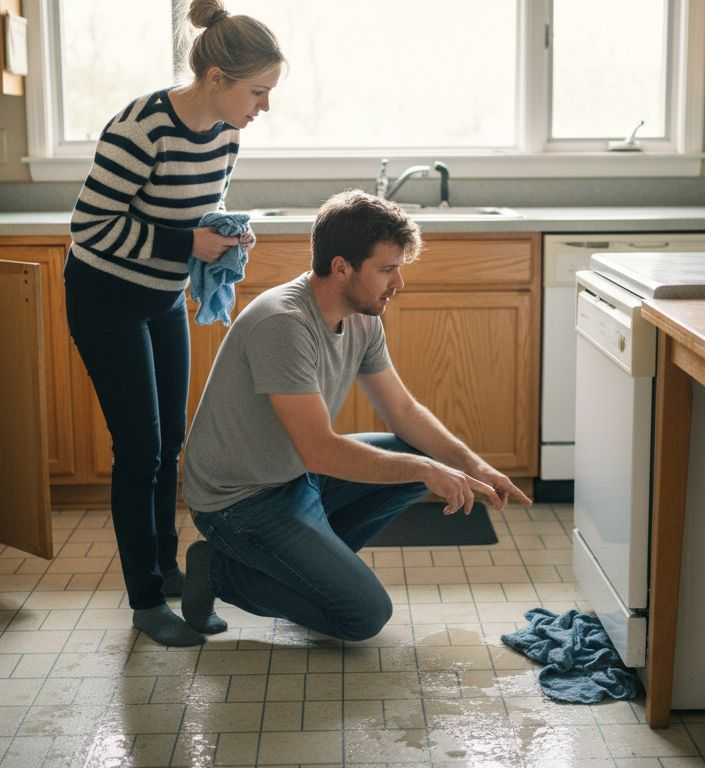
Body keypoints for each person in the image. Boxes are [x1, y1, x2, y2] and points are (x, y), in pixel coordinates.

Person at [179, 190, 534, 642]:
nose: (398, 283)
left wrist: (474, 466)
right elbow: (320, 451)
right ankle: (217, 572)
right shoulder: (283, 323)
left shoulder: (363, 315)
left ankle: (308, 562)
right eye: (387, 270)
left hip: (293, 478)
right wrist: (428, 469)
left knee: (414, 451)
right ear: (342, 266)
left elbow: (403, 411)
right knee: (362, 615)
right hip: (238, 501)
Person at [63, 0, 283, 647]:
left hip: (159, 297)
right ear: (216, 78)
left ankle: (164, 570)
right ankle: (144, 600)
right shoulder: (141, 127)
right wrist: (187, 245)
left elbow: (194, 209)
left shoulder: (226, 134)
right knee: (139, 451)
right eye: (258, 92)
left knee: (170, 447)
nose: (264, 107)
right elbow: (92, 228)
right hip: (105, 296)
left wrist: (223, 230)